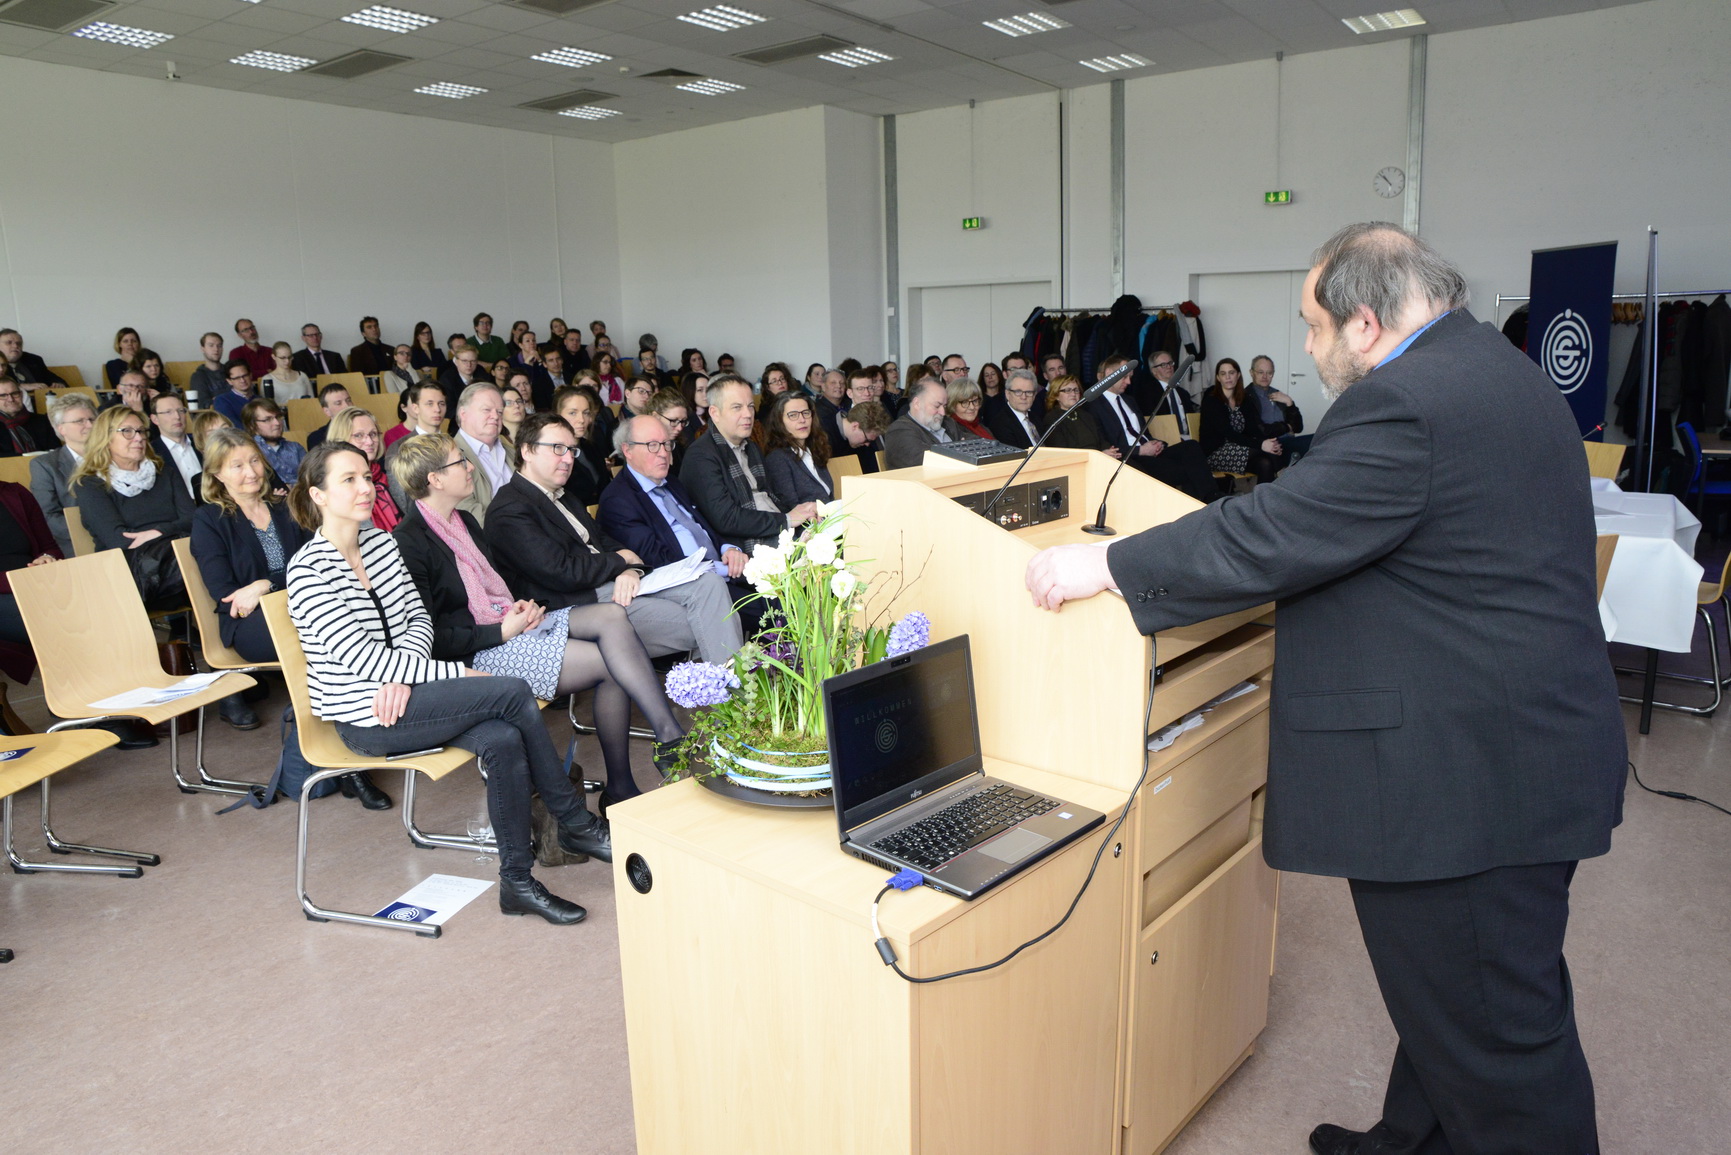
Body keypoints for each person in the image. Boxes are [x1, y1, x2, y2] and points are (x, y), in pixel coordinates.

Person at [1027, 222, 1625, 1155]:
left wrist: (1104, 564)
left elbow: (1274, 531)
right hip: (1515, 746)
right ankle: (1410, 1141)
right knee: (1459, 995)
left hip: (1469, 781)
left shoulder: (1407, 402)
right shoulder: (1489, 367)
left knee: (1501, 1042)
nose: (1306, 347)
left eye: (1311, 326)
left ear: (1363, 323)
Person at [286, 440, 609, 923]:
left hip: (409, 693)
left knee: (502, 737)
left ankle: (517, 883)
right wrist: (450, 672)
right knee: (511, 691)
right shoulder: (309, 571)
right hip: (366, 716)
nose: (364, 488)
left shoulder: (379, 544)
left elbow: (418, 621)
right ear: (318, 495)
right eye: (347, 480)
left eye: (366, 477)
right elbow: (359, 659)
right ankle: (574, 819)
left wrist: (403, 673)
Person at [392, 434, 684, 810]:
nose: (469, 468)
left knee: (612, 614)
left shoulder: (464, 521)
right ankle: (626, 784)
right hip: (474, 655)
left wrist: (518, 609)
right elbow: (430, 638)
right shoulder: (409, 541)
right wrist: (500, 630)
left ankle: (667, 737)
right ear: (435, 479)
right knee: (610, 666)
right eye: (459, 462)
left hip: (507, 628)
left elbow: (495, 591)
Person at [485, 412, 744, 665]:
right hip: (577, 604)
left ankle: (730, 686)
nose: (568, 458)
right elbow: (560, 571)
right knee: (712, 620)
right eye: (558, 448)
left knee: (710, 584)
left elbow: (604, 541)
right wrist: (621, 561)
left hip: (613, 584)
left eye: (571, 450)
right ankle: (737, 690)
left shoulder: (564, 496)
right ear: (527, 451)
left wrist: (630, 569)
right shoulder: (510, 508)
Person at [189, 429, 314, 732]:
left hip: (303, 604)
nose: (251, 472)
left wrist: (265, 585)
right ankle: (315, 716)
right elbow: (225, 591)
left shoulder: (285, 507)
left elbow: (315, 564)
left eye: (255, 461)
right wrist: (280, 587)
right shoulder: (209, 520)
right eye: (238, 466)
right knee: (323, 631)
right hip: (249, 621)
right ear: (218, 474)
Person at [70, 406, 194, 606]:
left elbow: (193, 519)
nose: (139, 438)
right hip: (131, 573)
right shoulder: (90, 484)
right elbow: (120, 540)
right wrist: (172, 531)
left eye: (141, 431)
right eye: (127, 431)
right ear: (105, 438)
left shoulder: (165, 473)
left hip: (179, 561)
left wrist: (158, 531)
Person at [680, 376, 818, 553]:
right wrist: (788, 520)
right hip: (744, 545)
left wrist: (802, 513)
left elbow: (771, 497)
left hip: (777, 527)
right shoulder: (701, 456)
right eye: (737, 407)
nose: (748, 414)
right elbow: (726, 519)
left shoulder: (751, 446)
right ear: (714, 413)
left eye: (751, 406)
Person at [1088, 354, 1218, 502]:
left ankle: (1210, 498)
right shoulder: (1094, 406)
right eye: (1124, 377)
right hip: (1131, 458)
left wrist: (1156, 443)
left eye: (1130, 377)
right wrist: (1140, 450)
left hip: (1148, 451)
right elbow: (1105, 444)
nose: (1129, 382)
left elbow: (1144, 432)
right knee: (1188, 470)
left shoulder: (1129, 400)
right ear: (1109, 373)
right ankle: (1210, 500)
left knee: (1191, 447)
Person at [31, 394, 96, 557]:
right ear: (61, 428)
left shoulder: (116, 455)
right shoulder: (45, 465)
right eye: (80, 421)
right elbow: (48, 515)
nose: (89, 425)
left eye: (92, 419)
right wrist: (94, 531)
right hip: (77, 540)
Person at [1200, 357, 1282, 484]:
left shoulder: (1243, 399)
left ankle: (1263, 497)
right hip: (1216, 452)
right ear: (1218, 378)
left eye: (1231, 373)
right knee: (1262, 450)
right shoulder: (1212, 400)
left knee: (1265, 464)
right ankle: (1283, 472)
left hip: (1240, 450)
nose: (1228, 377)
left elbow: (1254, 428)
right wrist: (1262, 445)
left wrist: (1271, 445)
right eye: (1223, 374)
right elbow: (1229, 434)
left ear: (1238, 375)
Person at [328, 408, 400, 532]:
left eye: (373, 434)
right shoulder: (335, 487)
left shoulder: (394, 479)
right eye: (359, 435)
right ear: (341, 439)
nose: (369, 441)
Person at [451, 383, 512, 525]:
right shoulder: (448, 457)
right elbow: (464, 509)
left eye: (500, 412)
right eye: (486, 410)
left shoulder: (513, 452)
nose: (495, 416)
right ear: (463, 414)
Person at [760, 392, 833, 506]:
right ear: (779, 421)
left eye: (806, 413)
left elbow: (828, 493)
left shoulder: (814, 448)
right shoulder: (777, 458)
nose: (802, 420)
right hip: (809, 517)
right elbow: (791, 506)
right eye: (793, 415)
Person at [881, 378, 965, 469]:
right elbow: (928, 461)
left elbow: (973, 443)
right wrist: (961, 452)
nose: (943, 412)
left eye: (944, 406)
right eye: (937, 406)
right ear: (917, 403)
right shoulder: (899, 430)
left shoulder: (948, 423)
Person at [552, 385, 613, 507]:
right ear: (558, 415)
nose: (581, 419)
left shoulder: (591, 446)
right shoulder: (552, 454)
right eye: (573, 413)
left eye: (586, 413)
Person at [1037, 374, 1113, 453]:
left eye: (1076, 390)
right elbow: (1061, 452)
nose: (1073, 394)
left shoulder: (1086, 415)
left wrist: (1106, 450)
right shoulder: (1052, 419)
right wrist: (1099, 454)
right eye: (1068, 390)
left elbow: (1101, 440)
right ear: (1056, 395)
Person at [1248, 354, 1305, 458]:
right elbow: (1258, 430)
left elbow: (1298, 427)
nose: (1265, 376)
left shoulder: (1278, 394)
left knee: (1314, 442)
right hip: (1265, 444)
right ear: (1252, 373)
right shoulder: (1246, 397)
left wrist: (1290, 403)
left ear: (1273, 374)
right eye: (1260, 372)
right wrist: (1287, 427)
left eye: (1269, 373)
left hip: (1287, 441)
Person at [147, 392, 201, 500]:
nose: (177, 417)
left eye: (181, 411)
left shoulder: (201, 444)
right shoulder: (150, 453)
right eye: (168, 412)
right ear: (155, 419)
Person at [244, 398, 305, 487]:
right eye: (267, 419)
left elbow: (312, 477)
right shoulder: (250, 451)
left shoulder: (296, 447)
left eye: (278, 417)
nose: (277, 423)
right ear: (252, 426)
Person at [0, 330, 65, 406]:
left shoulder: (33, 359)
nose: (15, 346)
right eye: (9, 342)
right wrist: (21, 386)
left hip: (42, 400)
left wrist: (58, 384)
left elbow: (50, 377)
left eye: (19, 343)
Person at [0, 375, 59, 457]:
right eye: (3, 396)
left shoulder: (42, 421)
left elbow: (56, 451)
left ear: (21, 395)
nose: (11, 399)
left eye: (15, 393)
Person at [985, 368, 1043, 448]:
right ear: (1007, 394)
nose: (1023, 397)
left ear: (1034, 395)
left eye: (1029, 392)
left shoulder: (1035, 418)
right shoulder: (1000, 424)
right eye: (1018, 392)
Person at [385, 381, 446, 448]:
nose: (438, 409)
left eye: (442, 404)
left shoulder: (452, 444)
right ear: (415, 408)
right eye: (430, 404)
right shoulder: (399, 447)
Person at [835, 399, 889, 474]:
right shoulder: (825, 435)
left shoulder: (856, 442)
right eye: (866, 440)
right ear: (855, 426)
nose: (867, 444)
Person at [437, 346, 484, 419]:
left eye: (473, 361)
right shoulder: (447, 379)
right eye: (464, 361)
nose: (469, 365)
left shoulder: (482, 373)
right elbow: (448, 408)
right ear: (456, 362)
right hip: (456, 419)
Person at [304, 382, 352, 450]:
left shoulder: (365, 429)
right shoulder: (317, 438)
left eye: (348, 400)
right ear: (327, 411)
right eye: (338, 403)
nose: (347, 406)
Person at [812, 369, 848, 455]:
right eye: (833, 383)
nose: (838, 386)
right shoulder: (818, 410)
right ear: (823, 387)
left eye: (842, 383)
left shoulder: (849, 405)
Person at [212, 360, 257, 427]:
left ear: (250, 375)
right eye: (237, 378)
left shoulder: (260, 400)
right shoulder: (222, 400)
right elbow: (231, 425)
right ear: (229, 381)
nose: (242, 380)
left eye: (245, 375)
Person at [188, 331, 226, 408]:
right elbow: (203, 404)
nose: (216, 349)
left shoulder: (230, 371)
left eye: (219, 345)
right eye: (211, 345)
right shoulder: (198, 377)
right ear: (203, 349)